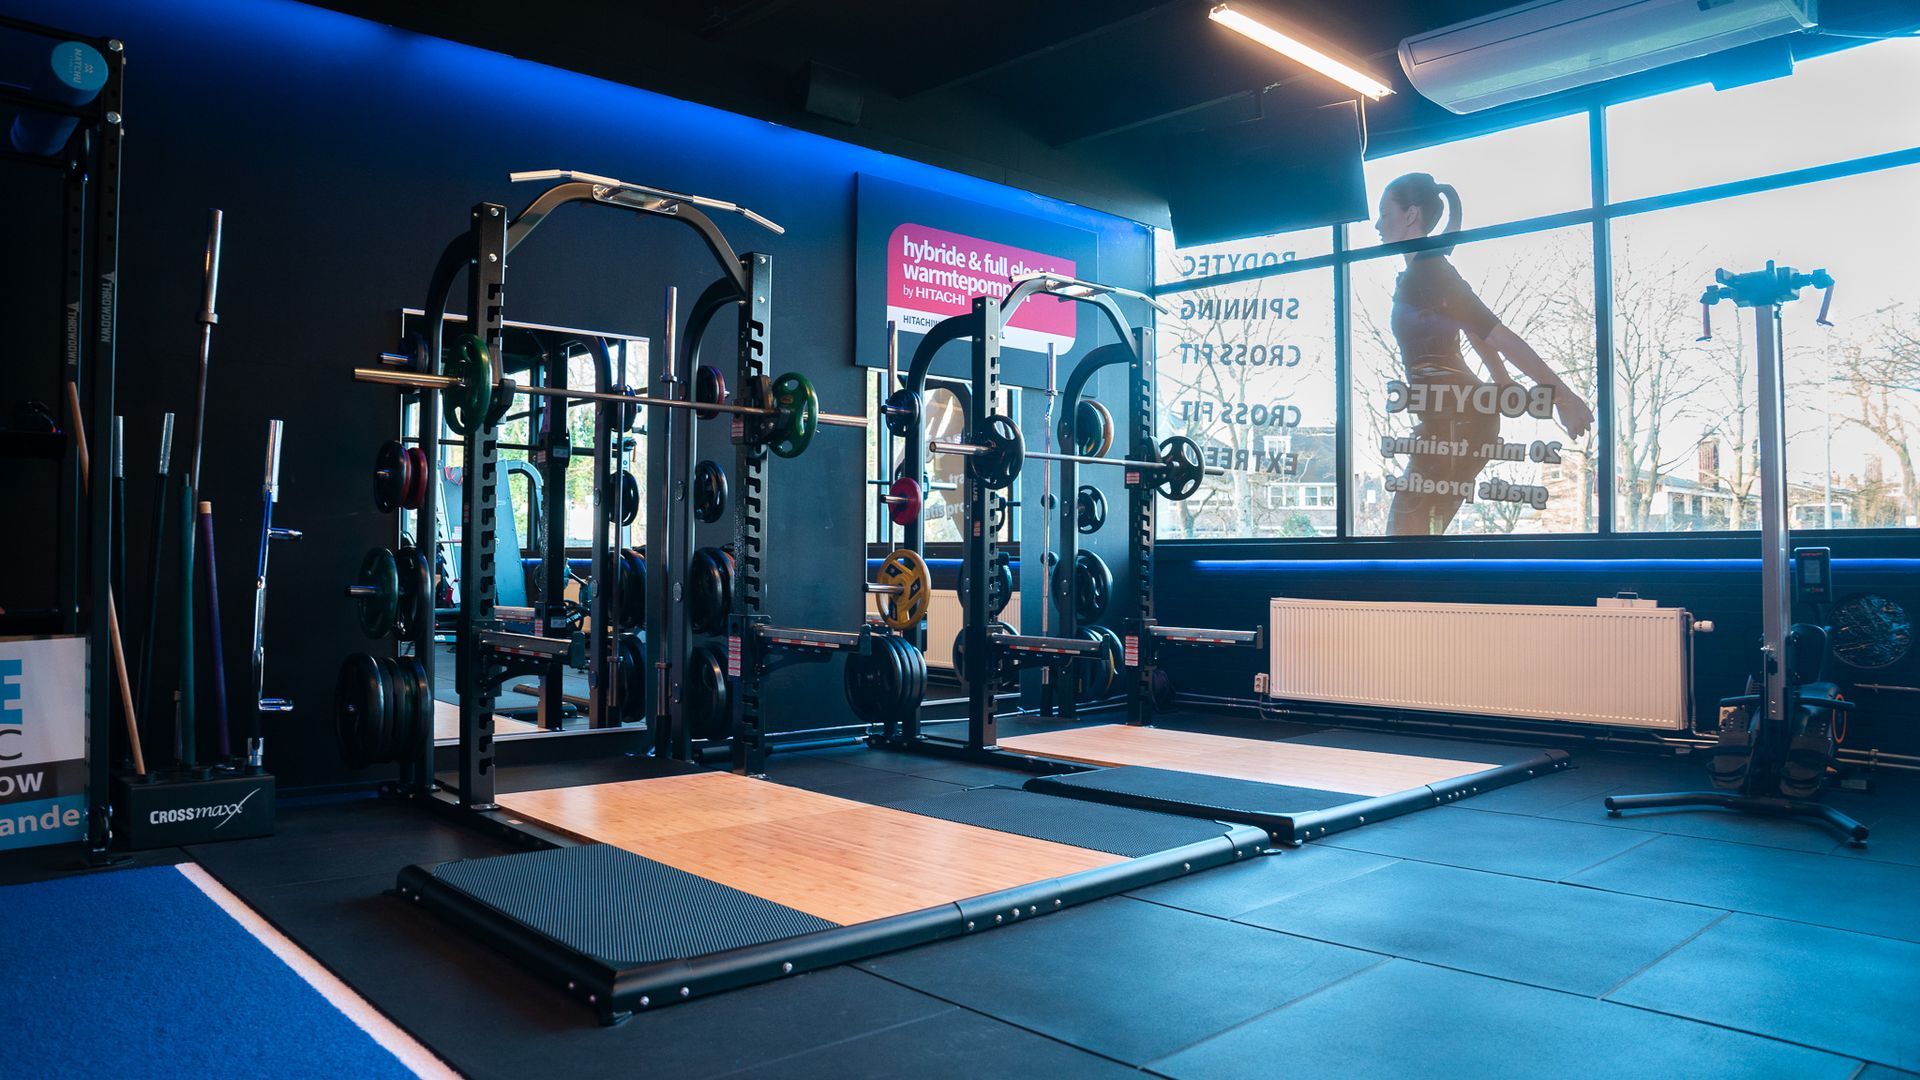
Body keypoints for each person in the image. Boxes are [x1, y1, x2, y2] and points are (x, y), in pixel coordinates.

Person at [1375, 172, 1593, 535]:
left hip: (1454, 419)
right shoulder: (1423, 272)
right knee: (1417, 534)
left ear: (1411, 215)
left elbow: (1497, 334)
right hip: (1453, 416)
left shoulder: (1430, 272)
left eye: (1385, 213)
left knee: (1405, 537)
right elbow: (1475, 331)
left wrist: (1562, 396)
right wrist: (1503, 382)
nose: (1378, 225)